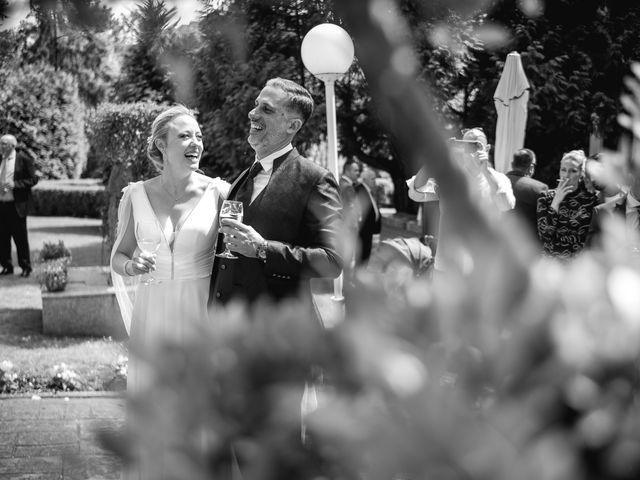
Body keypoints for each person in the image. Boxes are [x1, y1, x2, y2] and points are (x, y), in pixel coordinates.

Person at [209, 77, 343, 315]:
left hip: (278, 331)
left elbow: (332, 260)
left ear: (292, 126)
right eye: (256, 104)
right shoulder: (242, 177)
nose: (252, 113)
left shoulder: (315, 179)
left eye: (267, 109)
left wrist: (263, 248)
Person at [406, 127, 515, 274]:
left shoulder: (500, 179)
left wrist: (486, 171)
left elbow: (506, 205)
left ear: (487, 148)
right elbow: (416, 192)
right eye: (467, 145)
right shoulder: (450, 179)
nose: (471, 151)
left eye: (476, 144)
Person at [537, 149, 598, 259]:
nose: (566, 175)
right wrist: (555, 202)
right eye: (563, 170)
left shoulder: (591, 200)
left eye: (573, 171)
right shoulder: (545, 197)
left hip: (578, 265)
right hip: (551, 264)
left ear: (581, 174)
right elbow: (545, 236)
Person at [0, 134, 38, 277]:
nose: (1, 146)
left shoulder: (23, 159)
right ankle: (6, 266)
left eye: (3, 144)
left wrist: (15, 185)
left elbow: (34, 179)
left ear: (12, 145)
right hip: (2, 205)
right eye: (0, 143)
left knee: (20, 238)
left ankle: (25, 267)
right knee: (2, 238)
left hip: (17, 206)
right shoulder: (0, 160)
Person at [505, 148, 548, 241]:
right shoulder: (539, 188)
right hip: (527, 245)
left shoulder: (496, 182)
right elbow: (544, 224)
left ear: (512, 164)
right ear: (531, 167)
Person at [339, 158, 362, 275]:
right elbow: (351, 210)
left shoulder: (340, 183)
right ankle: (346, 286)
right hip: (348, 229)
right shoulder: (347, 187)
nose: (358, 173)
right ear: (347, 171)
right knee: (348, 258)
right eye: (355, 170)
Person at [355, 166, 381, 265]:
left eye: (375, 178)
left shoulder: (368, 191)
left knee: (366, 258)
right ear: (365, 179)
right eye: (372, 179)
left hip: (369, 232)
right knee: (362, 259)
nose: (375, 181)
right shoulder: (360, 190)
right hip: (363, 232)